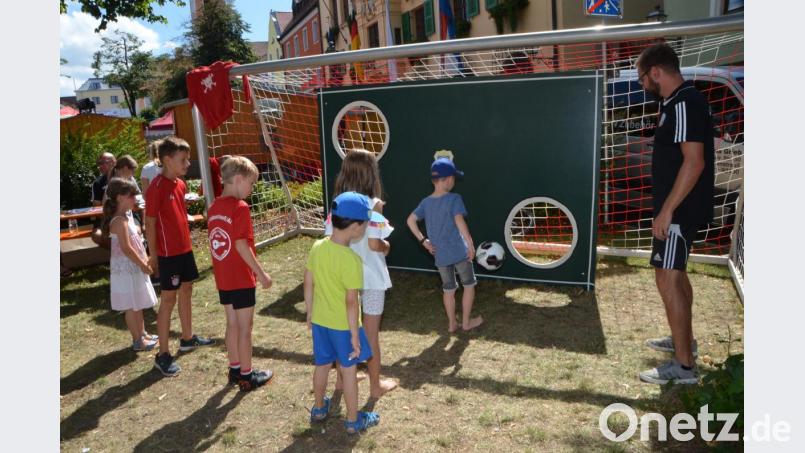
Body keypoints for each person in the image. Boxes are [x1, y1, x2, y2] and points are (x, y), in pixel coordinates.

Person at [635, 43, 714, 385]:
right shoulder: (673, 103)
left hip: (679, 212)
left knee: (667, 278)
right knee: (675, 275)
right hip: (677, 210)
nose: (642, 86)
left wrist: (667, 211)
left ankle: (683, 367)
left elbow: (694, 162)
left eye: (642, 79)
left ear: (656, 73)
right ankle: (685, 342)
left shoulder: (684, 102)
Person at [325, 150, 397, 401]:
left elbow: (329, 241)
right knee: (370, 334)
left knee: (342, 327)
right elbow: (377, 246)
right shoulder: (375, 206)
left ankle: (341, 380)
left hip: (342, 280)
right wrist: (388, 247)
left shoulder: (336, 207)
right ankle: (375, 386)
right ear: (371, 175)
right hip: (373, 280)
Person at [305, 192, 380, 434]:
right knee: (348, 371)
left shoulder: (317, 246)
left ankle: (318, 408)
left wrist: (309, 311)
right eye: (365, 223)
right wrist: (355, 336)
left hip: (320, 322)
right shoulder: (351, 260)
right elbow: (351, 302)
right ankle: (352, 419)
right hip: (343, 327)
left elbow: (308, 280)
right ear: (356, 227)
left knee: (322, 365)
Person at [145, 137, 215, 377]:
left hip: (185, 251)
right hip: (167, 255)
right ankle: (163, 354)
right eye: (182, 160)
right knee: (168, 300)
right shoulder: (155, 187)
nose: (187, 164)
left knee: (187, 290)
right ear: (167, 160)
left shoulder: (180, 184)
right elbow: (150, 222)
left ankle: (187, 337)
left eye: (187, 159)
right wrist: (153, 256)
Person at [208, 156, 275, 391]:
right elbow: (239, 245)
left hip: (224, 279)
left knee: (232, 325)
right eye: (251, 183)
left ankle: (235, 369)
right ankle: (247, 376)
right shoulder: (240, 208)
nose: (252, 188)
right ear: (238, 179)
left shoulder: (214, 207)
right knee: (245, 329)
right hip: (240, 278)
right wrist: (262, 273)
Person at [406, 152, 483, 334]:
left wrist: (423, 241)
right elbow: (460, 222)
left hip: (439, 255)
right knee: (469, 285)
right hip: (459, 252)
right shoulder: (454, 199)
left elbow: (410, 220)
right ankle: (465, 323)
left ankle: (451, 324)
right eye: (454, 178)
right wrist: (470, 245)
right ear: (447, 179)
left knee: (448, 290)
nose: (454, 182)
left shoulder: (425, 202)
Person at [102, 177, 159, 351]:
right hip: (126, 269)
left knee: (138, 303)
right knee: (131, 305)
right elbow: (126, 248)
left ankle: (143, 333)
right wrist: (142, 263)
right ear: (120, 197)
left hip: (134, 266)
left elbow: (136, 242)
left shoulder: (127, 216)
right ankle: (137, 340)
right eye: (131, 196)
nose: (135, 199)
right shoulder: (118, 221)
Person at [91, 152, 116, 249]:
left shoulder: (125, 178)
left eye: (103, 163)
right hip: (105, 218)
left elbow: (137, 201)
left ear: (113, 162)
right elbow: (97, 209)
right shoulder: (98, 183)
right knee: (97, 235)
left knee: (136, 230)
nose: (99, 166)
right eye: (98, 163)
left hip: (125, 215)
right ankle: (119, 252)